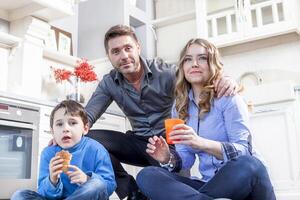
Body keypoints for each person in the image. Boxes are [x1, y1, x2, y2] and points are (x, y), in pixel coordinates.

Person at [84, 25, 237, 200]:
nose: (124, 56)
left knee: (171, 191)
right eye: (116, 51)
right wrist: (65, 132)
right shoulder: (109, 83)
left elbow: (196, 74)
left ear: (138, 48)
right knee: (87, 140)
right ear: (109, 56)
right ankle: (131, 192)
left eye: (128, 48)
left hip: (168, 146)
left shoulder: (165, 73)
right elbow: (87, 117)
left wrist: (224, 78)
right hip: (138, 142)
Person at [136, 38, 276, 200]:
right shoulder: (179, 107)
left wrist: (200, 142)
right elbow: (186, 160)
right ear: (182, 67)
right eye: (188, 59)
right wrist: (168, 158)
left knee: (249, 164)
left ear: (212, 64)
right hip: (212, 186)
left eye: (202, 58)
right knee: (147, 175)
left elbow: (244, 151)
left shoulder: (227, 97)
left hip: (246, 181)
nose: (194, 63)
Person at [11, 100, 116, 200]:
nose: (65, 129)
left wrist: (86, 179)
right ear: (52, 131)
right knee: (19, 195)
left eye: (73, 123)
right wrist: (52, 181)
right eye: (59, 124)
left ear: (85, 128)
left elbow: (109, 186)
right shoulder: (48, 153)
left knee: (97, 184)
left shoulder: (97, 149)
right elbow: (43, 192)